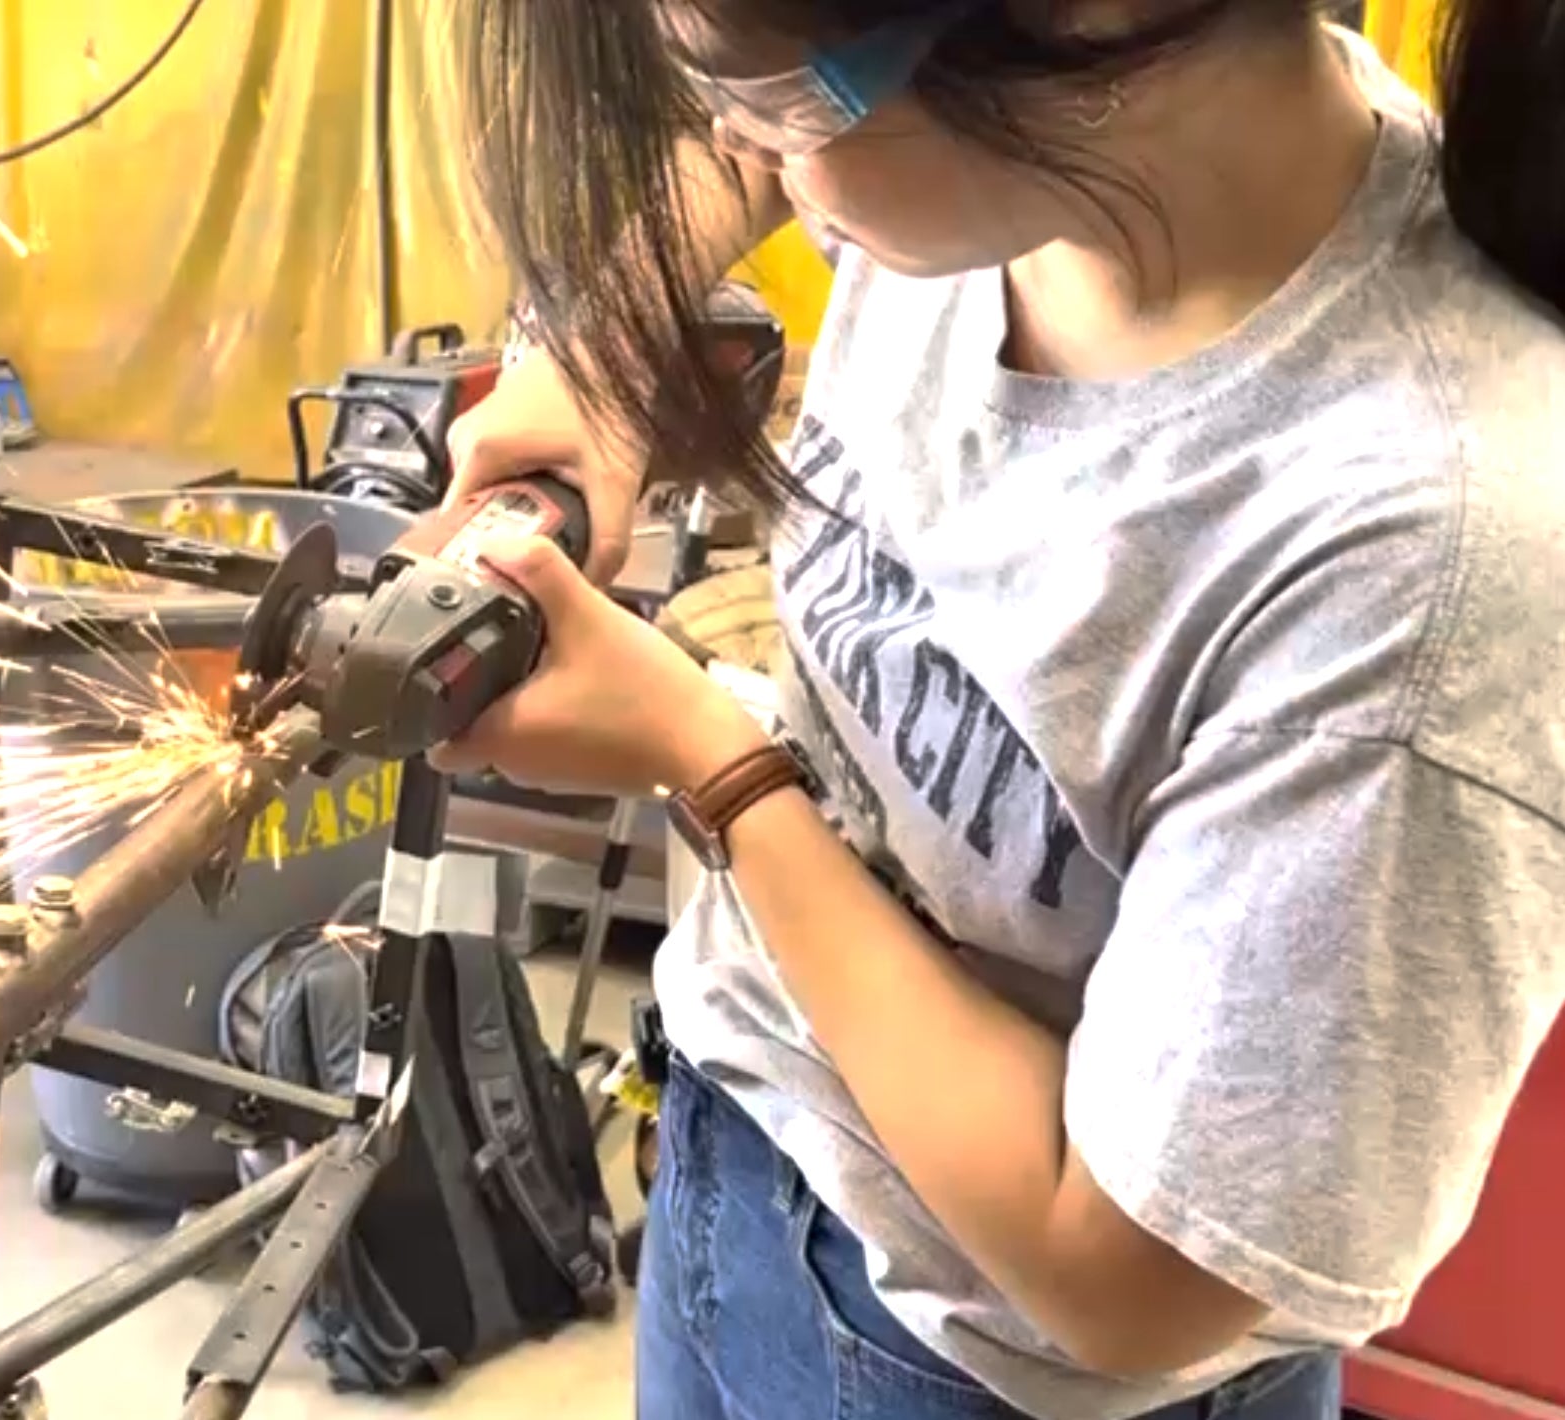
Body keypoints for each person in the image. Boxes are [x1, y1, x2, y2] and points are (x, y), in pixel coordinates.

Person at [431, 1, 1565, 1417]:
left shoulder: (1418, 562)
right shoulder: (1043, 143)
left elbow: (1127, 1283)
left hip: (975, 1363)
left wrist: (710, 768)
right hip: (750, 1136)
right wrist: (597, 355)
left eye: (774, 96)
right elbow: (756, 145)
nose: (739, 137)